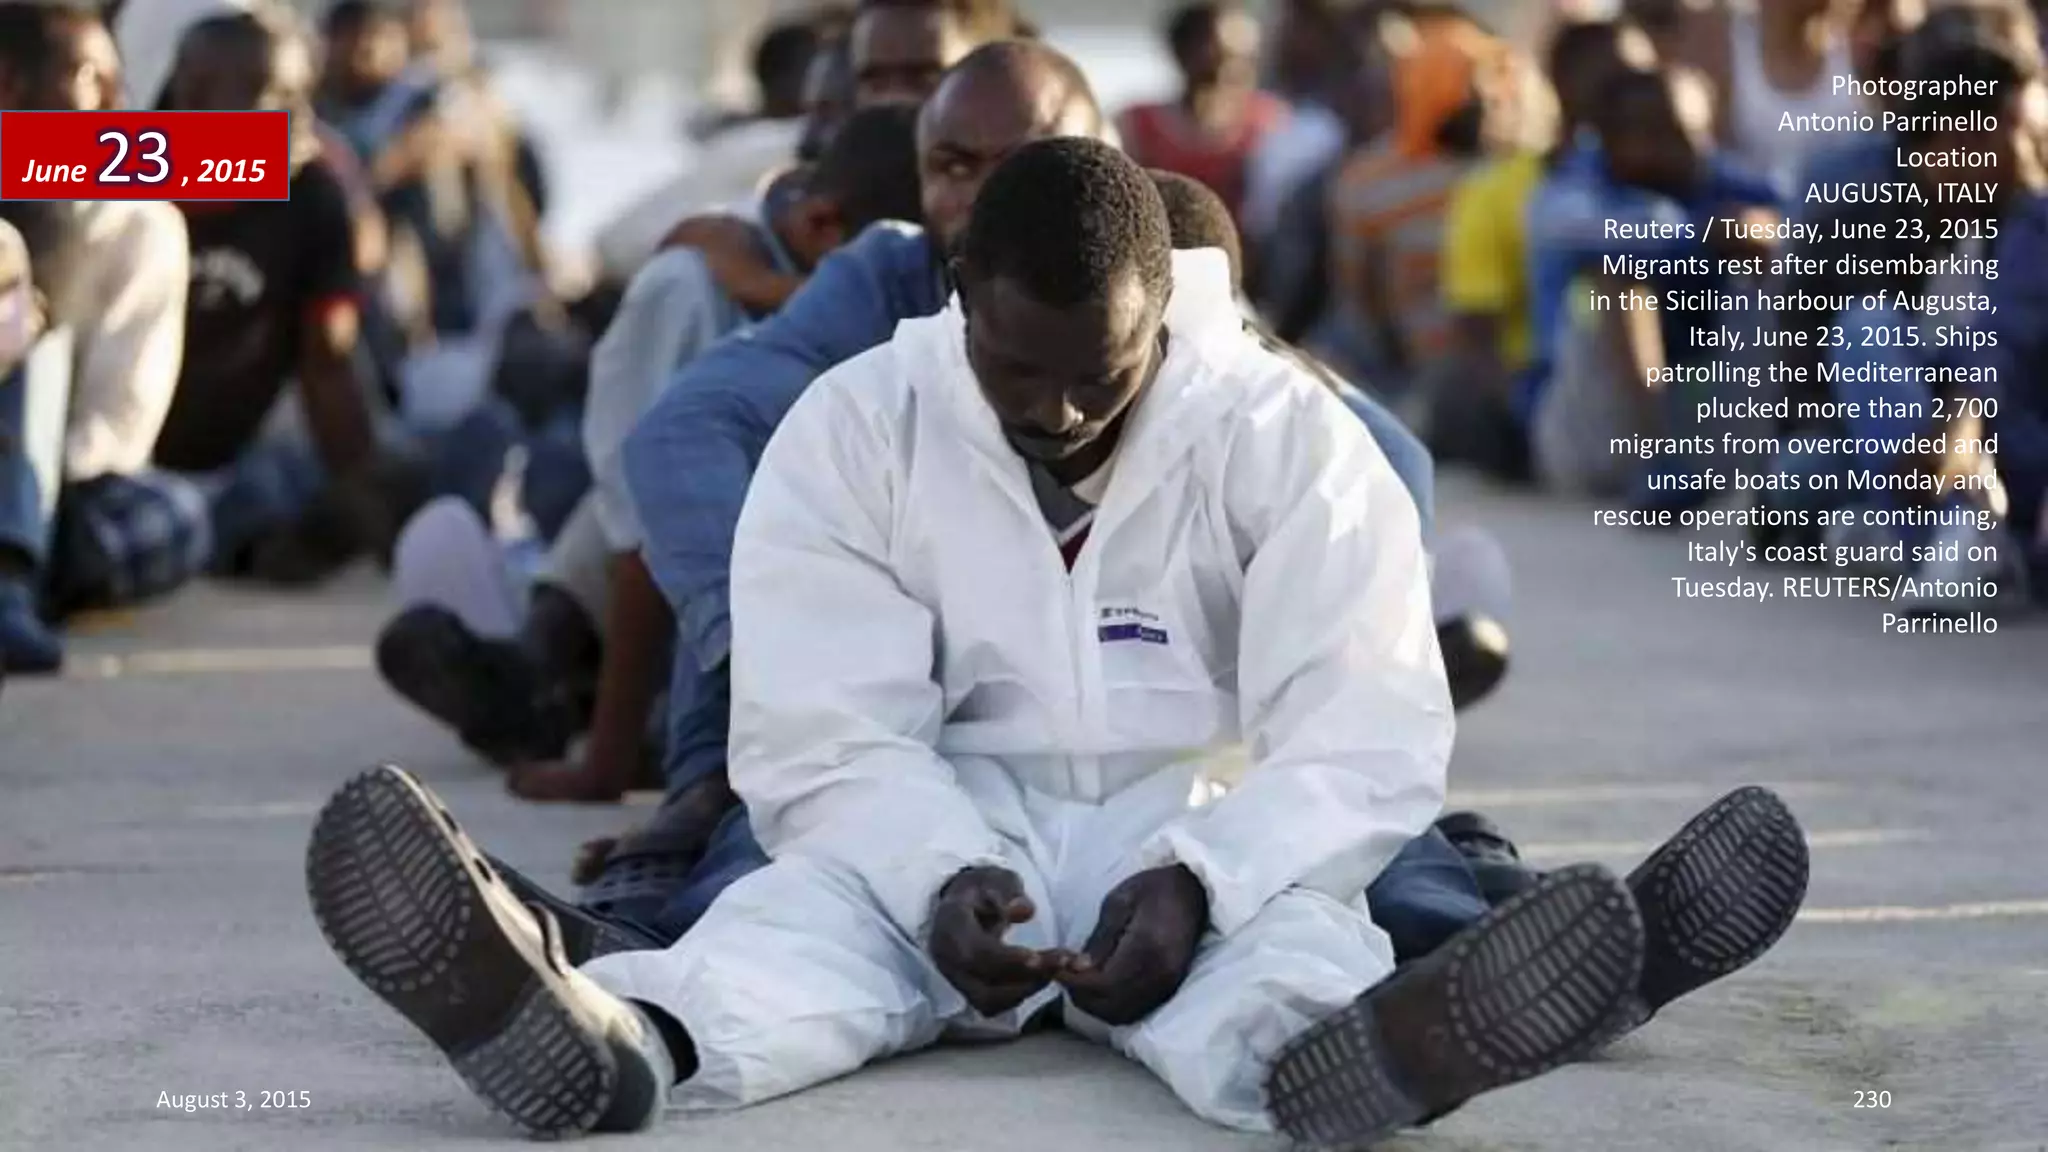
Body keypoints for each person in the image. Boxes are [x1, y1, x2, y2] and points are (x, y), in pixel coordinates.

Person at [305, 140, 1810, 1145]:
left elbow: (1363, 730)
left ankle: (1372, 1059)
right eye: (1022, 370)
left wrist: (1203, 879)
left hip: (1197, 817)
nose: (1063, 413)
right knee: (792, 937)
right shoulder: (852, 430)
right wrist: (936, 872)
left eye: (1106, 374)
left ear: (1173, 313)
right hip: (938, 815)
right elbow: (822, 736)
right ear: (961, 299)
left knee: (1289, 952)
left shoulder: (1290, 436)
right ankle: (614, 1046)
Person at [373, 105, 927, 788]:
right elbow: (648, 529)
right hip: (686, 604)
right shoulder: (709, 272)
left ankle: (565, 690)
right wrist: (605, 764)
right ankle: (556, 676)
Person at [148, 6, 421, 581]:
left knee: (301, 481)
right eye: (280, 96)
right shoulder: (97, 172)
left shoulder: (314, 192)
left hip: (242, 452)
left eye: (305, 97)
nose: (303, 119)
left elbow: (329, 361)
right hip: (124, 463)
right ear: (193, 94)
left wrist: (362, 488)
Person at [0, 2, 201, 672]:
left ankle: (12, 576)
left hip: (50, 487)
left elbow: (116, 434)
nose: (118, 103)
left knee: (176, 517)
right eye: (89, 78)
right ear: (9, 85)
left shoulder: (140, 222)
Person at [1523, 64, 1778, 501]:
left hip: (1707, 418)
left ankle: (1774, 460)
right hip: (1588, 431)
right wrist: (1708, 235)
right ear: (1620, 141)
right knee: (1622, 279)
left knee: (1775, 268)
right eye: (1674, 134)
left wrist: (1762, 232)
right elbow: (1620, 235)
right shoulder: (1564, 196)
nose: (1695, 149)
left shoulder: (1713, 177)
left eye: (1700, 133)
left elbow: (1797, 219)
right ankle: (1658, 462)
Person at [1426, 19, 1656, 483]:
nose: (1637, 94)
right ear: (1565, 83)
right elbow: (1477, 339)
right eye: (1618, 79)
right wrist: (1530, 413)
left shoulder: (1671, 187)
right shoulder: (1501, 193)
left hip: (1685, 388)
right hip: (1555, 402)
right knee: (1618, 278)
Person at [1323, 4, 1515, 409]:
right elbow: (1360, 297)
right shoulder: (1367, 183)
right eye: (1472, 83)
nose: (1492, 95)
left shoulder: (1511, 172)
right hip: (1414, 372)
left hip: (1507, 364)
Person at [1116, 3, 1289, 231]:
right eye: (1219, 56)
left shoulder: (1269, 123)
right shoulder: (1139, 126)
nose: (1231, 70)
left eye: (1244, 58)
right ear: (1181, 52)